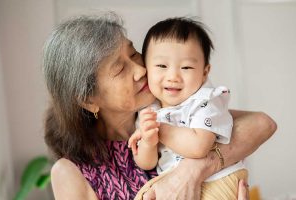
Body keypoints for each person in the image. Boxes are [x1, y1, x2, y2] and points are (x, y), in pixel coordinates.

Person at [42, 13, 276, 200]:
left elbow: (263, 124)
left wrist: (191, 173)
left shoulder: (168, 111)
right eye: (120, 69)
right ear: (89, 99)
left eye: (134, 53)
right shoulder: (72, 172)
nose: (142, 70)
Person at [128, 18, 247, 199]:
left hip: (218, 181)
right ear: (146, 68)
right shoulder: (149, 109)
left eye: (186, 67)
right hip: (178, 183)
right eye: (161, 66)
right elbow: (147, 163)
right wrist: (148, 142)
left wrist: (159, 129)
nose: (173, 76)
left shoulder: (206, 101)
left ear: (204, 72)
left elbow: (199, 147)